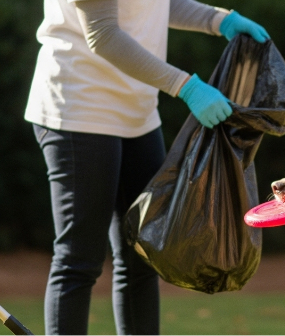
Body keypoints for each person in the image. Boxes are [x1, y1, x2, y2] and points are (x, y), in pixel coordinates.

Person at [24, 0, 268, 333]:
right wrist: (186, 86)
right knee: (79, 262)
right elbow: (104, 34)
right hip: (80, 110)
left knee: (141, 258)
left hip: (138, 115)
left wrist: (219, 20)